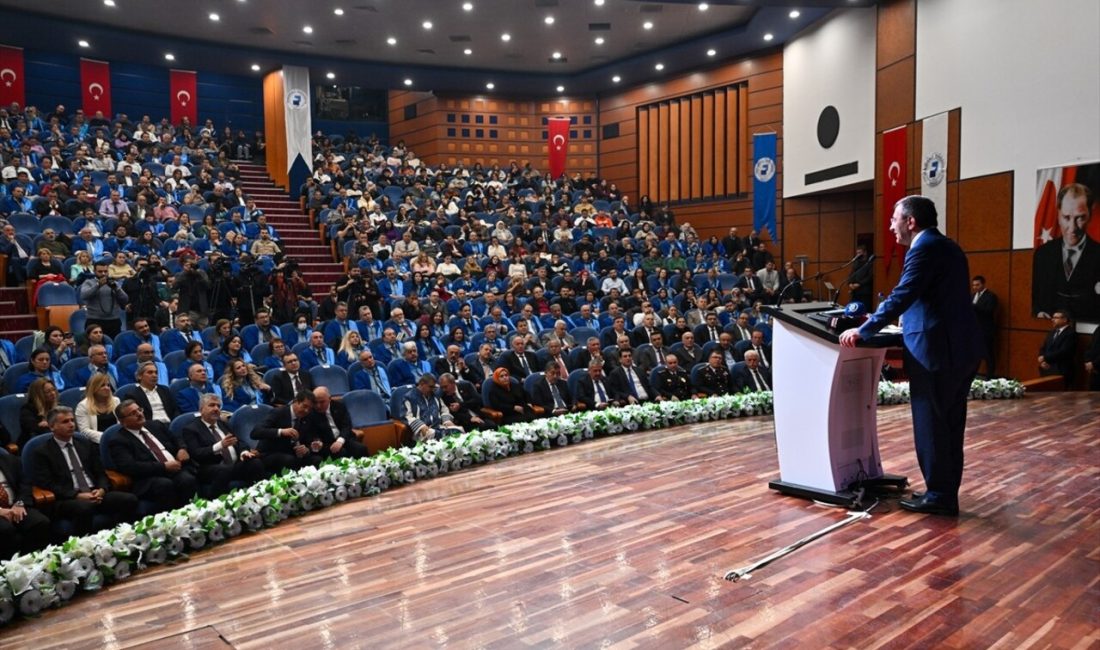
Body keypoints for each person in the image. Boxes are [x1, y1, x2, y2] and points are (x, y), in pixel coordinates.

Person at [840, 195, 982, 516]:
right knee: (950, 424)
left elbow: (904, 293)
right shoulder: (949, 246)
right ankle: (944, 492)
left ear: (911, 222)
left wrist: (866, 329)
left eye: (894, 219)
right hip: (960, 349)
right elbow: (932, 297)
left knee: (931, 423)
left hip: (935, 351)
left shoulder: (924, 248)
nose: (891, 226)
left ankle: (938, 496)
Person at [31, 406, 137, 536]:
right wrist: (77, 495)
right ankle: (83, 548)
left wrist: (102, 490)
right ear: (52, 427)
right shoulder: (42, 452)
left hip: (94, 492)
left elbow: (100, 472)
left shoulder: (85, 444)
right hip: (66, 498)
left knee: (129, 499)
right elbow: (48, 484)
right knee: (84, 508)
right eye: (65, 422)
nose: (71, 425)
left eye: (72, 420)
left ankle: (120, 539)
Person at [107, 399, 198, 513]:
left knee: (187, 479)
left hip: (175, 468)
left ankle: (190, 515)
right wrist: (163, 467)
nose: (139, 414)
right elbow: (130, 466)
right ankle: (169, 521)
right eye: (133, 413)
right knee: (165, 484)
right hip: (148, 478)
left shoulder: (155, 425)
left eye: (139, 410)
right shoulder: (118, 440)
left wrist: (182, 448)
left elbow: (176, 438)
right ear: (122, 421)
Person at [1032, 183, 1100, 321]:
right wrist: (1039, 312)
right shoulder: (1042, 255)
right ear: (1058, 214)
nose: (1072, 228)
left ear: (1090, 215)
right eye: (1066, 217)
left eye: (1080, 217)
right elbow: (1034, 295)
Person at [182, 393, 266, 496]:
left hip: (233, 465)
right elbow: (197, 454)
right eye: (211, 405)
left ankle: (260, 498)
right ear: (201, 409)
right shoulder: (191, 429)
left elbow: (239, 442)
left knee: (255, 462)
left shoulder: (223, 424)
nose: (216, 409)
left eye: (218, 406)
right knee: (223, 470)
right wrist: (220, 445)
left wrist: (244, 452)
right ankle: (218, 505)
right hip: (210, 468)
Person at [252, 390, 324, 472]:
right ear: (296, 402)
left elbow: (311, 437)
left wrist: (307, 449)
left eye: (310, 409)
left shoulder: (308, 417)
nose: (306, 411)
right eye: (304, 406)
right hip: (271, 453)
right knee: (289, 460)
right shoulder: (278, 412)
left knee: (317, 460)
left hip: (292, 453)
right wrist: (281, 432)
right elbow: (255, 432)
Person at [0, 445, 51, 558]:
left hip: (15, 504)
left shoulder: (9, 459)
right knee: (6, 530)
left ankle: (33, 564)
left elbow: (25, 484)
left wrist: (19, 503)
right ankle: (7, 570)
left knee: (40, 522)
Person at [309, 387, 370, 458]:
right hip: (327, 444)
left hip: (343, 438)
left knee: (361, 449)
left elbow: (346, 426)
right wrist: (317, 442)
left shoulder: (339, 406)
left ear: (329, 399)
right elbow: (313, 433)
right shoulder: (312, 413)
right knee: (340, 452)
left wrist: (340, 441)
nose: (318, 406)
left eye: (322, 402)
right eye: (315, 402)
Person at [402, 375, 463, 442]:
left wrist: (447, 421)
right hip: (423, 431)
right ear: (422, 384)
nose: (433, 389)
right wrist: (421, 426)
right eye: (431, 387)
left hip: (439, 427)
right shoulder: (409, 397)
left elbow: (444, 410)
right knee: (435, 435)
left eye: (434, 387)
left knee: (459, 430)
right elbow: (407, 416)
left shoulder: (435, 395)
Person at [79, 261, 128, 337]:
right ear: (94, 271)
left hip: (113, 321)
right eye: (100, 271)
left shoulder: (114, 283)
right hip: (94, 321)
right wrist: (98, 285)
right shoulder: (89, 282)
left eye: (105, 271)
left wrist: (116, 288)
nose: (103, 274)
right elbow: (84, 295)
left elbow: (125, 299)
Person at [1037, 310, 1077, 387]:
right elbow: (1044, 347)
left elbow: (1064, 352)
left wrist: (1045, 358)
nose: (1052, 320)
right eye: (1052, 317)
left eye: (1056, 318)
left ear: (1064, 320)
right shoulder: (1052, 332)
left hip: (1062, 370)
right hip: (1047, 369)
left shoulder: (1071, 333)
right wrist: (1042, 359)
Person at [971, 275, 999, 378]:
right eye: (973, 285)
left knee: (988, 354)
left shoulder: (991, 296)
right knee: (974, 354)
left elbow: (989, 311)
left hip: (986, 330)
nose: (975, 287)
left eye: (977, 285)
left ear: (983, 284)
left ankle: (990, 376)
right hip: (974, 330)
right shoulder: (972, 296)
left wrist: (974, 306)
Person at [1085, 326, 1100, 391]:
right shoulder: (1098, 328)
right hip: (1094, 370)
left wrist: (1094, 363)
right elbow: (1090, 346)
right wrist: (1087, 361)